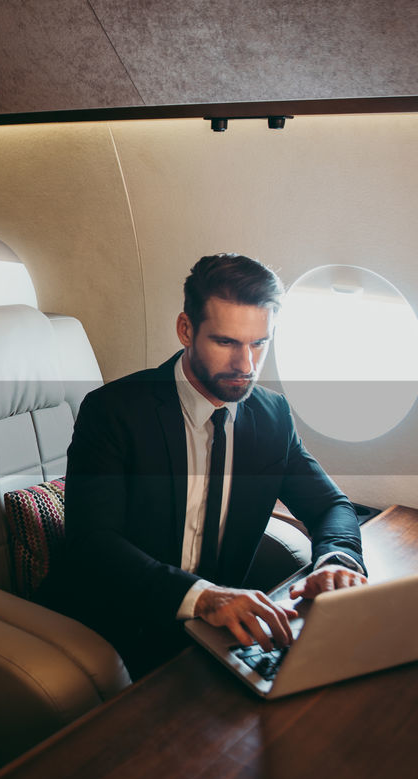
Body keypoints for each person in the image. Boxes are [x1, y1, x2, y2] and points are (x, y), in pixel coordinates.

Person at [43, 253, 366, 678]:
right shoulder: (113, 411)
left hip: (219, 631)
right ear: (185, 330)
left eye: (259, 343)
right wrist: (204, 597)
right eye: (226, 342)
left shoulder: (272, 417)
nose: (246, 367)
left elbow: (330, 507)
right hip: (118, 623)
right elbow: (93, 544)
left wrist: (337, 562)